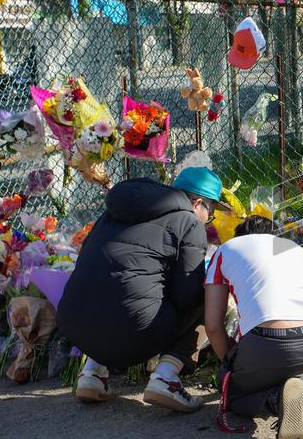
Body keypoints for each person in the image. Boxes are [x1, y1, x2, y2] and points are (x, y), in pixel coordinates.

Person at [58, 167, 230, 413]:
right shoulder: (189, 221)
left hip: (74, 323)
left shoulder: (114, 211)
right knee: (204, 296)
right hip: (132, 330)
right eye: (210, 213)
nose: (208, 220)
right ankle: (166, 378)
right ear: (197, 203)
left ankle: (92, 374)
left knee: (112, 288)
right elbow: (186, 296)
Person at [205, 216, 303, 439]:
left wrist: (231, 365)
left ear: (240, 235)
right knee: (287, 364)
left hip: (270, 343)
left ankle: (276, 400)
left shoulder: (226, 249)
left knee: (231, 391)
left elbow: (213, 326)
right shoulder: (295, 249)